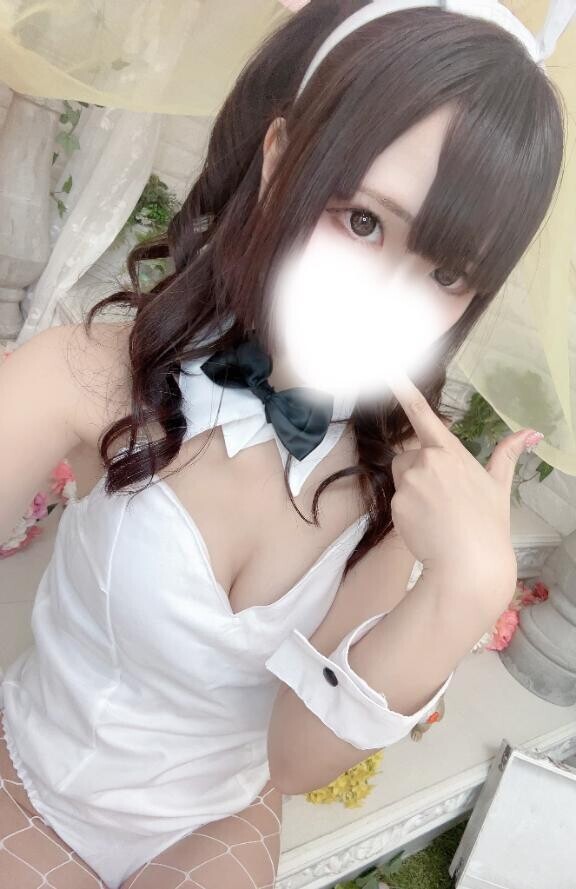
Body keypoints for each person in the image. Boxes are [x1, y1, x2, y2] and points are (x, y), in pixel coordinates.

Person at [0, 1, 566, 887]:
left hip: (215, 812)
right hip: (37, 772)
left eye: (448, 271)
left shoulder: (389, 493)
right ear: (277, 159)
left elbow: (295, 758)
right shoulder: (95, 374)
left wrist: (464, 590)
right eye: (364, 222)